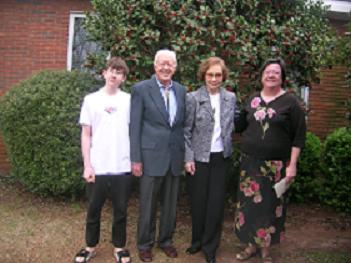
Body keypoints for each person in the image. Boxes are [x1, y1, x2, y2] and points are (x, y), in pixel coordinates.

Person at [234, 58, 306, 263]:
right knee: (249, 206)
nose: (271, 75)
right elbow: (239, 125)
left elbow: (298, 137)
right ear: (262, 76)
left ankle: (266, 249)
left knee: (270, 207)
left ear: (282, 77)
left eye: (276, 72)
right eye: (268, 72)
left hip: (276, 167)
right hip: (250, 163)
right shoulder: (252, 99)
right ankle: (251, 246)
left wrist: (292, 165)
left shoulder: (291, 103)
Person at [74, 57, 133, 263]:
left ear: (123, 78)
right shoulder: (91, 100)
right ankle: (90, 246)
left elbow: (134, 132)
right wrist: (87, 165)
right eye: (111, 70)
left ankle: (119, 247)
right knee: (93, 209)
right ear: (104, 73)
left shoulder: (129, 100)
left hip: (122, 166)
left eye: (119, 72)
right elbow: (86, 134)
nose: (114, 75)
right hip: (97, 167)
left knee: (121, 210)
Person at [130, 49, 186, 262]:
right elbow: (134, 126)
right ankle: (144, 244)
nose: (166, 67)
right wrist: (135, 158)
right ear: (154, 66)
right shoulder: (141, 89)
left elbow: (180, 126)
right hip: (150, 157)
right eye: (162, 63)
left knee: (171, 205)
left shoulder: (181, 90)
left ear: (175, 68)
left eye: (170, 64)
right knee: (148, 205)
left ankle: (166, 241)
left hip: (174, 157)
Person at [184, 57, 236, 263]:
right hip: (199, 158)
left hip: (220, 157)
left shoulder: (230, 98)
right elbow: (186, 131)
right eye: (210, 75)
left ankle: (210, 246)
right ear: (203, 76)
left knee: (215, 203)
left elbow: (231, 125)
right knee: (198, 202)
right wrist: (188, 158)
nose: (214, 79)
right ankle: (196, 240)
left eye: (217, 75)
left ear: (223, 77)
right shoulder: (193, 98)